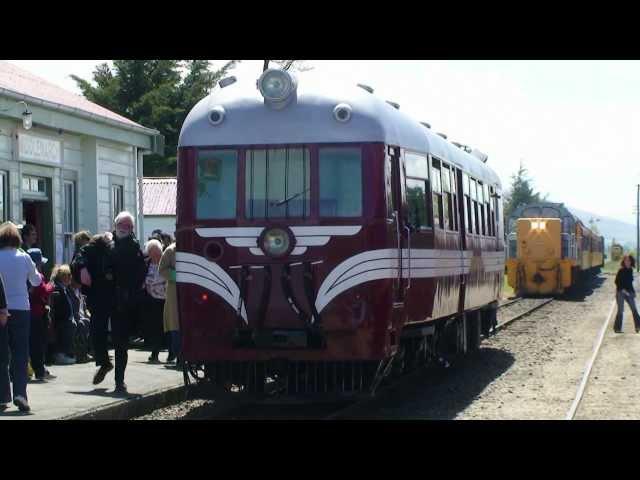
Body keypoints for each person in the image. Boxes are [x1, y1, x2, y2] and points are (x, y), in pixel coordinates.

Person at [0, 222, 41, 412]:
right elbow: (36, 280)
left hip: (1, 309)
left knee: (2, 354)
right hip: (21, 308)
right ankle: (20, 394)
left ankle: (2, 395)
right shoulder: (23, 257)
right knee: (20, 353)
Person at [109, 212, 147, 393]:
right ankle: (109, 370)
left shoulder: (133, 247)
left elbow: (140, 274)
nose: (127, 229)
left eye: (130, 226)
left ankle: (119, 380)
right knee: (115, 342)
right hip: (108, 300)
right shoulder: (107, 243)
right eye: (124, 225)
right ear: (117, 225)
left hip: (124, 302)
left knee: (121, 344)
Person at [71, 233, 116, 387]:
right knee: (104, 332)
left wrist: (82, 269)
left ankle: (105, 363)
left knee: (98, 331)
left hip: (100, 296)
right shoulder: (107, 249)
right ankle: (108, 366)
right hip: (110, 295)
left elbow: (77, 260)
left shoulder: (90, 250)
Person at [26, 248, 55, 380]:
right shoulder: (38, 276)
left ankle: (26, 370)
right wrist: (51, 285)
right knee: (38, 344)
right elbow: (44, 291)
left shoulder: (22, 274)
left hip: (24, 312)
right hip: (37, 313)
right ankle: (40, 370)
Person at [143, 239, 166, 363]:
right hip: (151, 299)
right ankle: (155, 353)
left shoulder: (165, 261)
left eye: (156, 252)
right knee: (156, 327)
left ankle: (171, 354)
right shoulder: (146, 263)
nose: (154, 255)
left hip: (166, 299)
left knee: (166, 326)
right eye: (151, 252)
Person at [50, 265, 77, 365]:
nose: (70, 277)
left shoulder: (66, 289)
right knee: (69, 325)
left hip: (67, 319)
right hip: (60, 321)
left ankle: (71, 353)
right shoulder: (57, 289)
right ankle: (60, 354)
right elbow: (58, 310)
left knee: (78, 323)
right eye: (68, 275)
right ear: (63, 276)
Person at [159, 242, 180, 367]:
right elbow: (162, 269)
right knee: (176, 328)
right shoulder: (171, 251)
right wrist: (179, 276)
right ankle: (179, 357)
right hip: (175, 294)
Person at [614, 254, 640, 333]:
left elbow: (629, 283)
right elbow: (617, 282)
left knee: (634, 309)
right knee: (620, 310)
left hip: (629, 292)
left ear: (631, 262)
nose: (627, 262)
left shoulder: (631, 270)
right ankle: (617, 328)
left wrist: (633, 292)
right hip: (620, 292)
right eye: (626, 260)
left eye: (629, 260)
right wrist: (623, 290)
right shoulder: (621, 270)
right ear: (623, 261)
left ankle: (638, 326)